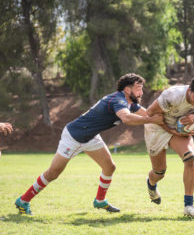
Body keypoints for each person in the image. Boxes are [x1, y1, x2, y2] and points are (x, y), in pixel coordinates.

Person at [15, 73, 163, 215]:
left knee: (109, 167)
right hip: (73, 136)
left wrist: (172, 120)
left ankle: (100, 200)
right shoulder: (117, 99)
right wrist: (151, 120)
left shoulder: (130, 103)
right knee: (53, 173)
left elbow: (149, 114)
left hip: (90, 137)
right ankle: (23, 200)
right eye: (138, 88)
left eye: (141, 88)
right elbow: (127, 119)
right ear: (127, 89)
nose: (141, 92)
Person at [144, 76, 194, 217]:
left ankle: (188, 205)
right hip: (156, 127)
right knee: (159, 172)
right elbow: (150, 113)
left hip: (177, 129)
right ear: (189, 90)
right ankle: (151, 184)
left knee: (190, 158)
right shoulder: (172, 96)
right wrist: (170, 130)